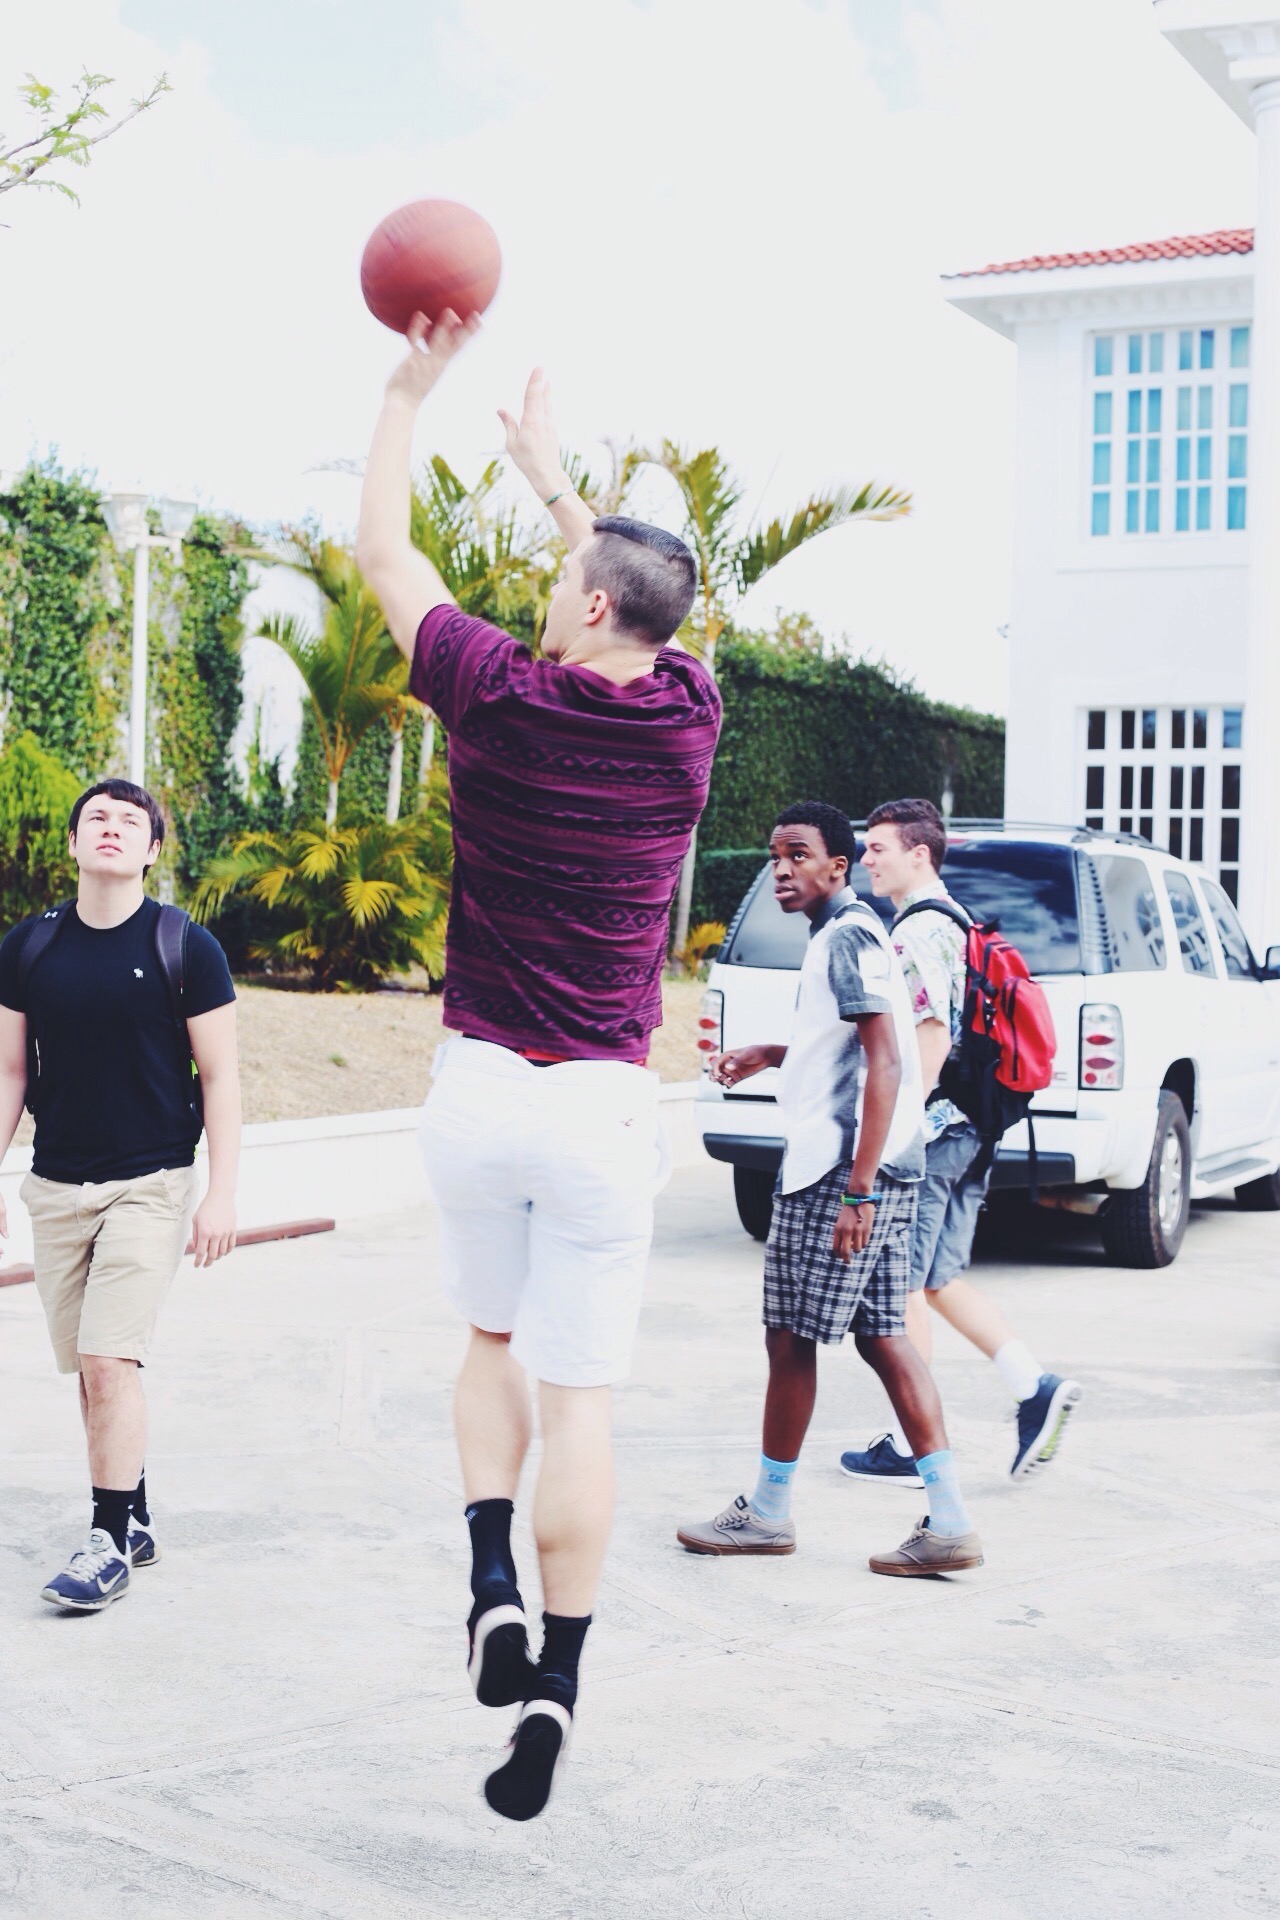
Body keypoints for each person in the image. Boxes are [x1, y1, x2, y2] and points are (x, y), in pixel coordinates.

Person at [355, 309, 720, 1820]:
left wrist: (408, 390)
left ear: (586, 605)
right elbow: (656, 613)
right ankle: (558, 1682)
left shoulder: (494, 694)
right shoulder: (688, 721)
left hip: (482, 1092)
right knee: (583, 1402)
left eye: (564, 584)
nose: (546, 594)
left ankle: (487, 1582)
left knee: (487, 1347)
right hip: (601, 1109)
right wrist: (564, 492)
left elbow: (384, 552)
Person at [677, 800, 984, 1578]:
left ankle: (767, 1513)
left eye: (798, 855)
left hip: (840, 1172)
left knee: (790, 1338)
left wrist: (856, 1191)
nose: (781, 869)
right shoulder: (849, 933)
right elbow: (850, 1045)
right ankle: (950, 1522)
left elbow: (886, 1061)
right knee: (883, 1337)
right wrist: (771, 1052)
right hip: (885, 1164)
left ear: (836, 866)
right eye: (774, 855)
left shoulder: (846, 937)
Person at [0, 780, 240, 1612]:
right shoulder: (28, 946)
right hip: (55, 1184)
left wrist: (220, 1193)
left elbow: (221, 1076)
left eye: (129, 821)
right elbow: (9, 1072)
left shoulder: (186, 946)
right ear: (73, 843)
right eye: (95, 818)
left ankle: (105, 1543)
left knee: (110, 1360)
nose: (110, 829)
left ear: (151, 850)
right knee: (90, 1370)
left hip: (152, 1181)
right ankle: (130, 1514)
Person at [838, 797, 1082, 1487]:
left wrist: (894, 1133)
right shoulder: (958, 919)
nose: (865, 859)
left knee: (902, 1286)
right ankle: (1034, 1386)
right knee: (939, 1279)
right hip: (973, 1126)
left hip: (934, 1132)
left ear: (919, 854)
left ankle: (913, 1444)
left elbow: (932, 1037)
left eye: (878, 847)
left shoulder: (918, 931)